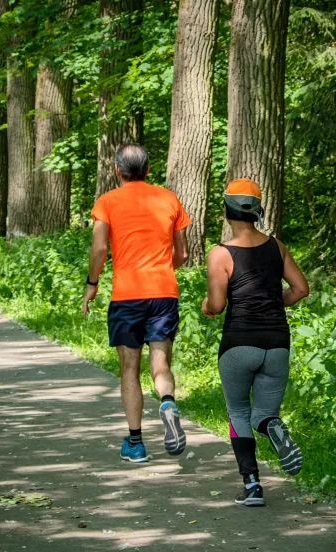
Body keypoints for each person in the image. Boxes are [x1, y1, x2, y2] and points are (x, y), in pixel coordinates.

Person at [202, 178, 310, 507]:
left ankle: (252, 486)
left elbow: (217, 305)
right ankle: (271, 425)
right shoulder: (277, 247)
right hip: (276, 343)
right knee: (262, 413)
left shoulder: (220, 253)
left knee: (237, 412)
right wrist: (273, 302)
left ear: (227, 211)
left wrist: (206, 307)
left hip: (239, 343)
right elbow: (301, 289)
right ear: (256, 211)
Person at [83, 144, 190, 463]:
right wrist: (163, 272)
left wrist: (92, 284)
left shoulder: (107, 202)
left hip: (127, 296)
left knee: (129, 369)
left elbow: (100, 249)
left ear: (117, 170)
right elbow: (181, 254)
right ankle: (168, 401)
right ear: (147, 170)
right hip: (163, 293)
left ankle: (136, 443)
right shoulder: (168, 198)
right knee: (160, 361)